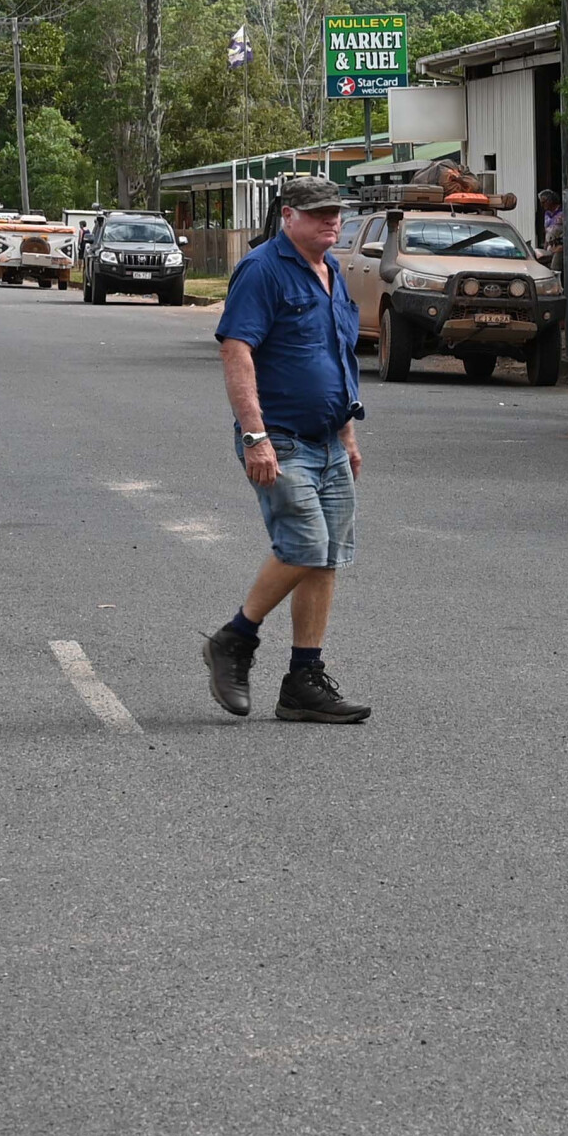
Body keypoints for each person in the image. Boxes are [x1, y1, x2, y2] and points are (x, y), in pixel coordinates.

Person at [203, 175, 372, 725]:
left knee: (325, 560)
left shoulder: (333, 272)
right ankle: (234, 639)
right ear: (288, 216)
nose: (331, 221)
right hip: (280, 438)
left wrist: (347, 432)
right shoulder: (262, 270)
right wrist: (255, 435)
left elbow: (338, 355)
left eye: (336, 213)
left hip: (328, 439)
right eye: (318, 212)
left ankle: (303, 681)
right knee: (304, 545)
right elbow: (237, 352)